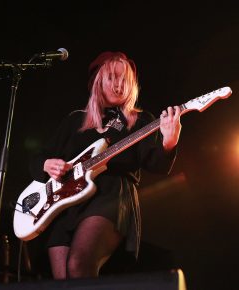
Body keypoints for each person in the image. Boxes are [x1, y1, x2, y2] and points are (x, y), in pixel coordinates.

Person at [29, 51, 182, 279]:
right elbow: (40, 157)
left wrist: (169, 142)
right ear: (98, 81)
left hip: (110, 197)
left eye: (124, 80)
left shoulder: (140, 121)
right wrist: (47, 164)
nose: (118, 85)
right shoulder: (75, 121)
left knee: (79, 265)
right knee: (61, 282)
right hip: (63, 203)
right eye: (111, 77)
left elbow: (156, 164)